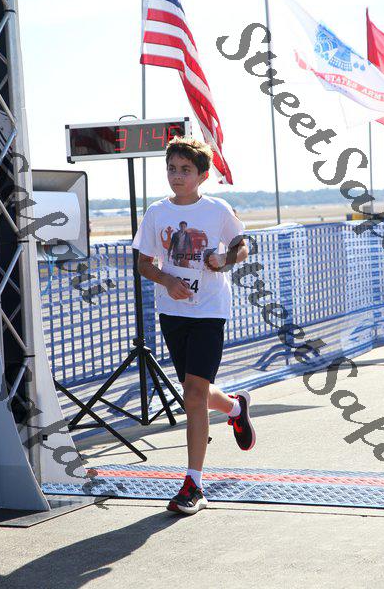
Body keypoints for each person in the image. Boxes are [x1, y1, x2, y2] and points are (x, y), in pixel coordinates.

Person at [132, 136, 256, 515]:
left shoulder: (217, 209)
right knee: (193, 390)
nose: (177, 176)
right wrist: (167, 280)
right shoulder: (156, 212)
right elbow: (143, 262)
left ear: (202, 175)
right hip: (172, 312)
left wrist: (225, 259)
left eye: (185, 170)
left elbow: (242, 245)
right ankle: (234, 407)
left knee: (194, 396)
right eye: (172, 169)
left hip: (209, 311)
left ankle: (194, 485)